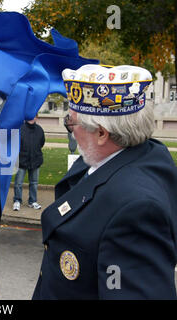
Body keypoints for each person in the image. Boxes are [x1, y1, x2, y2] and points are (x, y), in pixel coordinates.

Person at [33, 64, 177, 299]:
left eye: (71, 123)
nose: (71, 130)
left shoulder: (138, 210)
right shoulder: (138, 155)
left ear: (102, 133)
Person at [13, 116, 45, 211]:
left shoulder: (39, 130)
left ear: (37, 118)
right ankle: (17, 200)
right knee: (18, 183)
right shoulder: (20, 129)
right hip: (22, 160)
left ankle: (32, 201)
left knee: (34, 183)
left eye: (34, 116)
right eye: (30, 116)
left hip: (35, 160)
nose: (32, 118)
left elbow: (42, 142)